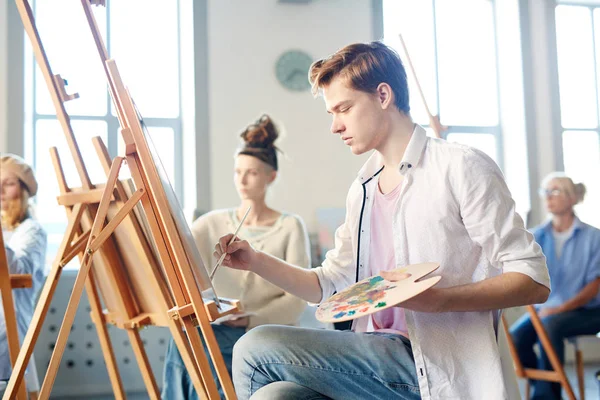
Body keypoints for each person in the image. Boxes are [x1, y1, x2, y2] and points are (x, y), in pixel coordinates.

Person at [213, 41, 551, 400]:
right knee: (275, 396)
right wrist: (254, 261)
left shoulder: (461, 166)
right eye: (331, 113)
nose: (334, 126)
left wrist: (440, 301)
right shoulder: (363, 188)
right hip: (371, 358)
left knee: (255, 345)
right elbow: (328, 285)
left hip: (434, 367)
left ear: (383, 95)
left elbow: (533, 279)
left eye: (343, 108)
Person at [161, 115, 311, 399]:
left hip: (266, 329)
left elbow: (296, 301)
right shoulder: (209, 224)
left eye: (252, 172)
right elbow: (178, 262)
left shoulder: (291, 226)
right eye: (237, 171)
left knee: (207, 350)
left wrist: (250, 319)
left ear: (271, 176)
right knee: (184, 339)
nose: (242, 179)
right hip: (218, 327)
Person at [510, 173, 600, 400]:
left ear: (572, 198)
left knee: (550, 325)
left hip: (588, 311)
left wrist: (558, 310)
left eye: (556, 191)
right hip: (549, 310)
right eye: (546, 191)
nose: (549, 196)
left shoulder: (593, 237)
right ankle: (545, 387)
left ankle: (546, 397)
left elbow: (594, 286)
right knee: (515, 337)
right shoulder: (536, 235)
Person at [0, 154, 47, 398]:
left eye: (8, 183)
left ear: (24, 189)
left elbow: (17, 272)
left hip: (10, 335)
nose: (0, 190)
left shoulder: (33, 231)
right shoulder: (4, 229)